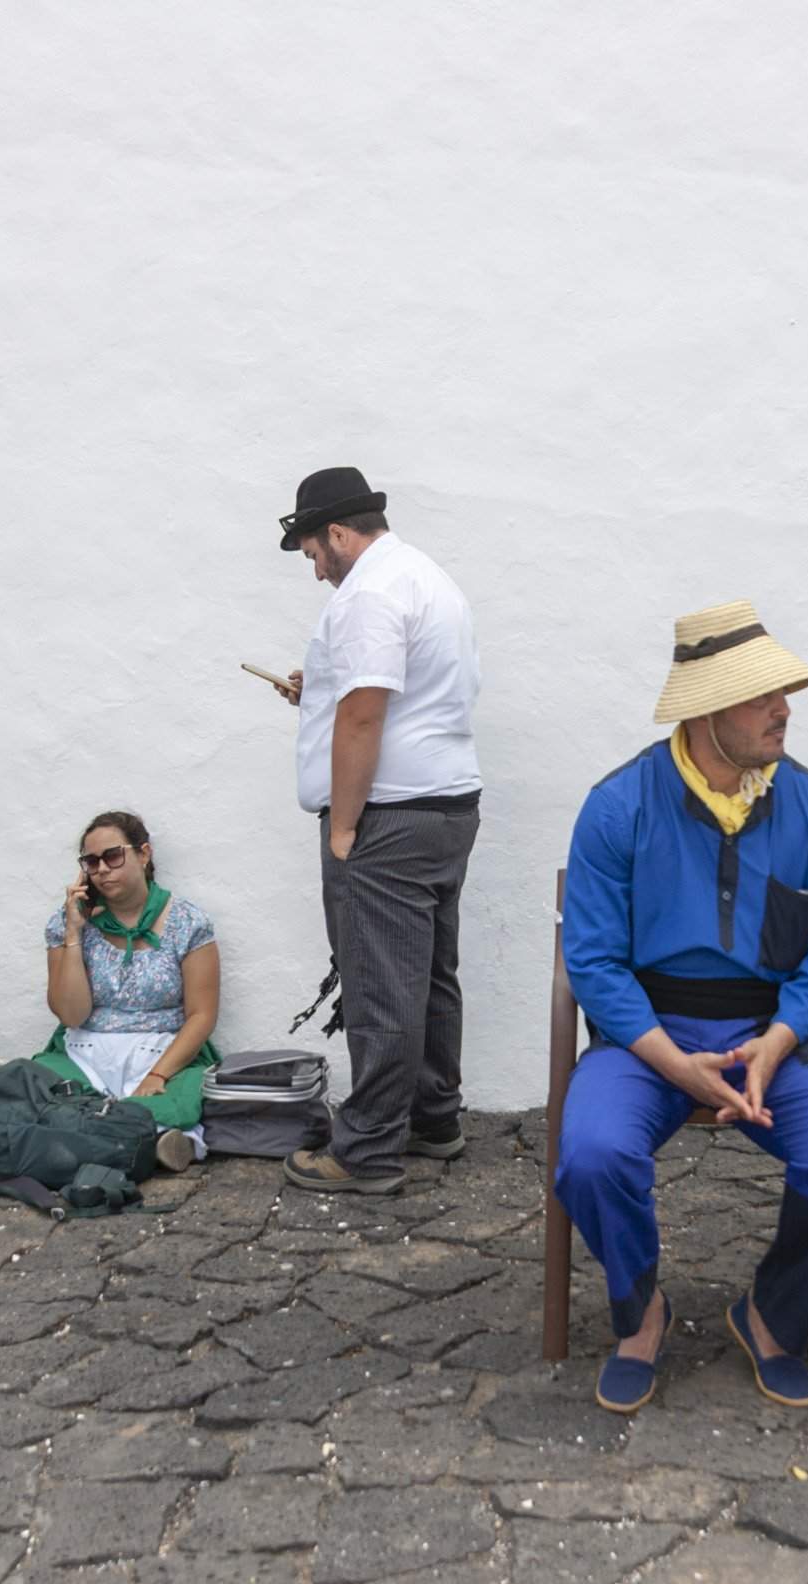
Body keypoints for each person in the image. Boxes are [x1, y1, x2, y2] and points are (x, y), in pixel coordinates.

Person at [555, 601, 808, 1413]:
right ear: (706, 710)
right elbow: (594, 959)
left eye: (783, 692)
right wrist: (672, 1061)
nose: (784, 710)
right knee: (592, 1152)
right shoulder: (617, 806)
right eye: (761, 695)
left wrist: (778, 1041)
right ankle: (641, 1313)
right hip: (649, 1035)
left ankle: (773, 1312)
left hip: (778, 1032)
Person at [268, 467, 482, 1196]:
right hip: (445, 804)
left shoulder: (367, 593)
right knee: (426, 976)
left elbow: (365, 713)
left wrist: (344, 828)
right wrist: (317, 688)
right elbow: (394, 689)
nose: (315, 568)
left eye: (312, 551)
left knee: (380, 983)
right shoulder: (426, 577)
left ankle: (367, 1150)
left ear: (336, 531)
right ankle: (433, 1118)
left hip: (387, 816)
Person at [40, 808, 219, 1171]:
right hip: (84, 1050)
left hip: (163, 1053)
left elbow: (202, 1015)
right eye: (92, 861)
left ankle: (120, 1138)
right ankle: (143, 1142)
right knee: (38, 1087)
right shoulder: (67, 923)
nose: (102, 869)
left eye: (113, 855)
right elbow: (71, 1014)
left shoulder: (189, 922)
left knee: (180, 1099)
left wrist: (157, 1076)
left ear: (143, 854)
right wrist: (74, 934)